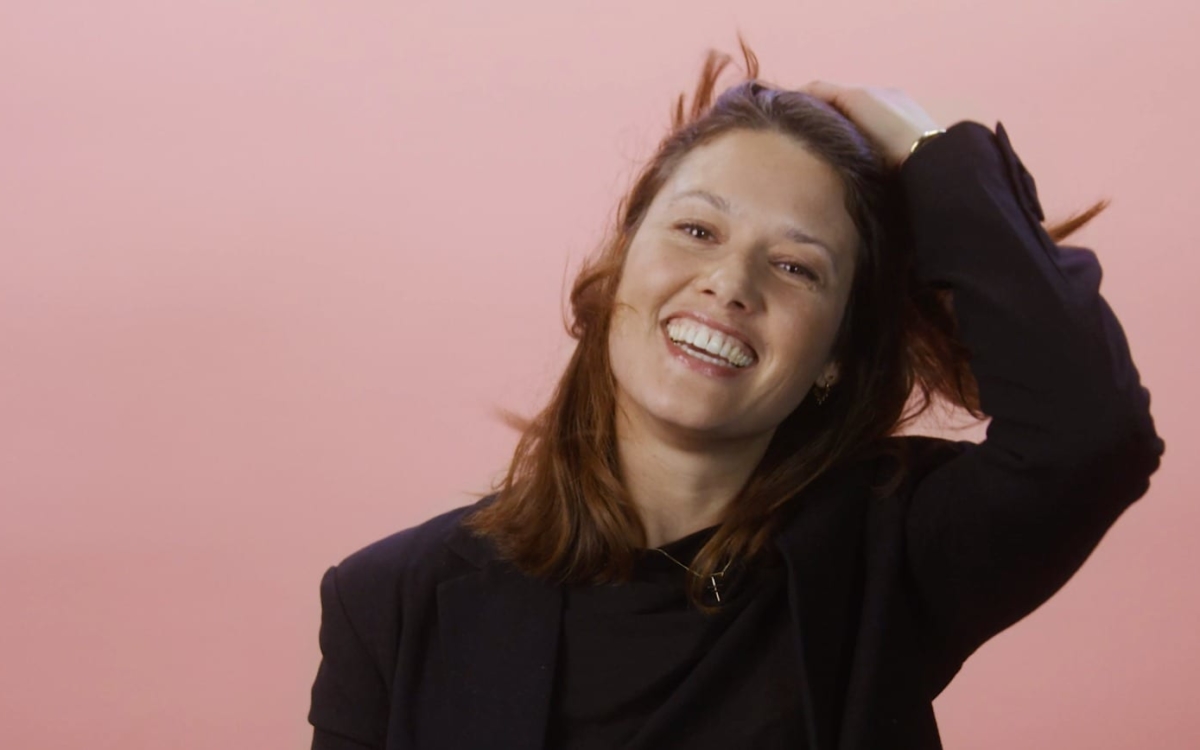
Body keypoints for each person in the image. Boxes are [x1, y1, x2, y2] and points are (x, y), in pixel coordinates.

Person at [307, 43, 1163, 750]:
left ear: (836, 356)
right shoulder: (391, 603)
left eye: (795, 266)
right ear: (617, 271)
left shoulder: (888, 557)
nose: (730, 282)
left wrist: (927, 148)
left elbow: (1091, 433)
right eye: (697, 230)